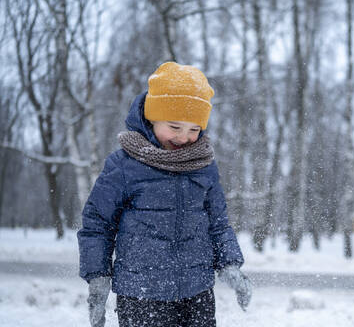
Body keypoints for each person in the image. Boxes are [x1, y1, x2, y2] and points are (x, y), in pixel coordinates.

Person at [77, 62, 252, 327]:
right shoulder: (124, 164)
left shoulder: (204, 165)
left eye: (194, 129)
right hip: (141, 295)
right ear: (151, 118)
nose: (184, 137)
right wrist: (98, 276)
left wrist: (230, 263)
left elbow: (218, 222)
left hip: (197, 293)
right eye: (175, 126)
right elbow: (97, 224)